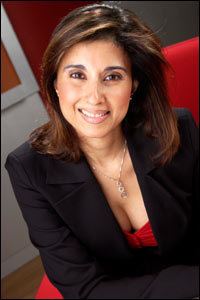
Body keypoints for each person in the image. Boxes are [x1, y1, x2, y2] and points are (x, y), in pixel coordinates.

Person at [5, 3, 199, 299]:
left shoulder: (179, 128)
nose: (94, 97)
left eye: (112, 77)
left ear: (133, 84)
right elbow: (83, 288)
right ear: (55, 82)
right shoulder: (28, 168)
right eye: (77, 75)